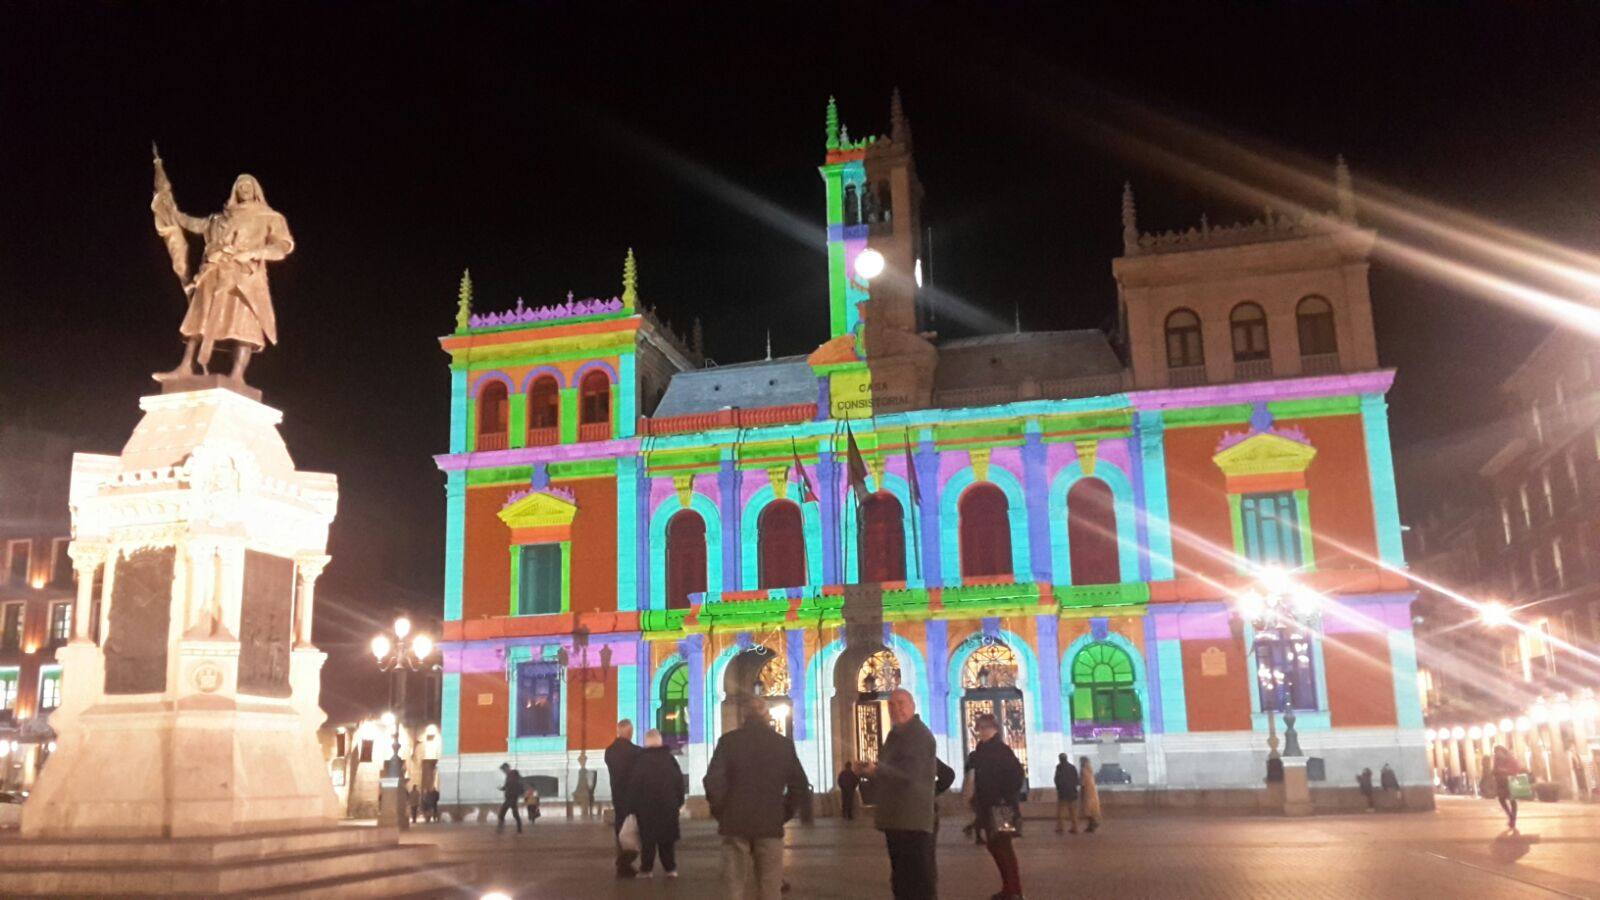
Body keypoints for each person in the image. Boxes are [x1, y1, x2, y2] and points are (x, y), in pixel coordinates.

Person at [704, 696, 810, 900]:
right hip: (770, 823)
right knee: (770, 888)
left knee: (732, 888)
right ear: (766, 715)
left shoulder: (728, 742)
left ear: (743, 714)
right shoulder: (783, 744)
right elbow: (799, 785)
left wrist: (722, 811)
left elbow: (712, 781)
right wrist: (783, 813)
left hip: (735, 823)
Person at [860, 689, 937, 900]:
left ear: (913, 705)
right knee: (902, 878)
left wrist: (877, 770)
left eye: (901, 703)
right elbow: (893, 771)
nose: (896, 709)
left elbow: (911, 774)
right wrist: (873, 771)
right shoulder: (897, 734)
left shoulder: (918, 734)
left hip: (912, 818)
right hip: (898, 818)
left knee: (916, 880)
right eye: (891, 705)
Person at [970, 714, 1025, 900]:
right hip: (987, 806)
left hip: (1001, 809)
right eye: (980, 728)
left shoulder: (1001, 750)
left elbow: (1017, 776)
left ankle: (1014, 890)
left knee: (1003, 847)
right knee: (995, 847)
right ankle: (1009, 888)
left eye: (985, 728)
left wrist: (1004, 797)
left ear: (994, 729)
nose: (982, 732)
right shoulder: (982, 750)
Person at [628, 729, 685, 879]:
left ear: (646, 743)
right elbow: (679, 783)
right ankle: (670, 868)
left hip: (646, 809)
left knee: (648, 842)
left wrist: (633, 807)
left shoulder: (641, 762)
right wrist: (678, 803)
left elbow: (634, 786)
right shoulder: (670, 759)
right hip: (668, 807)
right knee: (667, 841)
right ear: (660, 742)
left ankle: (647, 869)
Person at [605, 720, 643, 877]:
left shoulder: (609, 751)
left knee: (620, 831)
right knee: (634, 831)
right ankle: (624, 862)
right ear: (630, 732)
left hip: (617, 796)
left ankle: (623, 864)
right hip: (634, 798)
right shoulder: (636, 752)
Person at [1492, 745, 1524, 830]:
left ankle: (1512, 817)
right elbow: (1494, 771)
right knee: (1503, 799)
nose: (1497, 753)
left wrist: (1503, 771)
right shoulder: (1498, 759)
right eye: (1496, 752)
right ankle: (1511, 816)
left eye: (1498, 751)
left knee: (1510, 800)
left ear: (1502, 751)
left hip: (1509, 780)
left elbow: (1516, 768)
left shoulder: (1509, 758)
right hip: (1502, 782)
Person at [1053, 753, 1080, 834]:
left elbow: (1056, 779)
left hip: (1062, 792)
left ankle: (1060, 827)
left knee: (1061, 811)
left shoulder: (1059, 767)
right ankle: (1075, 827)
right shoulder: (1072, 767)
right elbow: (1076, 779)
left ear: (1060, 759)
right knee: (1073, 811)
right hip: (1072, 792)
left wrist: (1058, 788)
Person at [496, 762, 524, 833]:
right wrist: (502, 788)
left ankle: (501, 828)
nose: (503, 771)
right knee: (512, 813)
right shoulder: (509, 775)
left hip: (512, 797)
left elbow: (514, 784)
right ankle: (519, 828)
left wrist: (505, 788)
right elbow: (508, 786)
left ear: (507, 768)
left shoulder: (513, 774)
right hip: (510, 797)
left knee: (504, 812)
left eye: (503, 770)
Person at [1078, 756, 1101, 833]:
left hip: (1086, 791)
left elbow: (1082, 782)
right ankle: (1091, 824)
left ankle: (1093, 823)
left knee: (1087, 809)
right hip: (1092, 791)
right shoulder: (1090, 769)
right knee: (1091, 809)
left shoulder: (1083, 770)